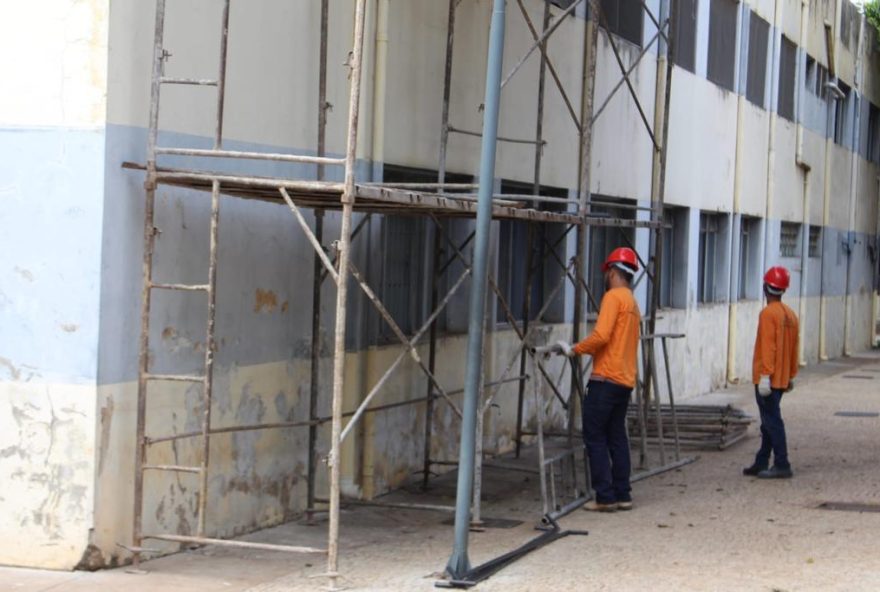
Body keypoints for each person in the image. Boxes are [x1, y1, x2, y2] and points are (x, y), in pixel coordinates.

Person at [554, 247, 641, 512]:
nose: (605, 277)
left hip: (605, 379)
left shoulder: (613, 297)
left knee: (595, 436)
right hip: (624, 381)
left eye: (607, 273)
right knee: (616, 436)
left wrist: (574, 349)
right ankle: (623, 493)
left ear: (613, 272)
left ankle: (605, 496)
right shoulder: (633, 303)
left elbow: (601, 336)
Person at [743, 266, 799, 479]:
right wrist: (791, 374)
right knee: (768, 421)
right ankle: (761, 460)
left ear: (766, 287)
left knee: (773, 421)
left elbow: (769, 347)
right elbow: (794, 347)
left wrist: (765, 376)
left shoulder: (768, 314)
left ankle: (782, 463)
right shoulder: (791, 315)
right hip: (782, 378)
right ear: (783, 290)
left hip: (769, 379)